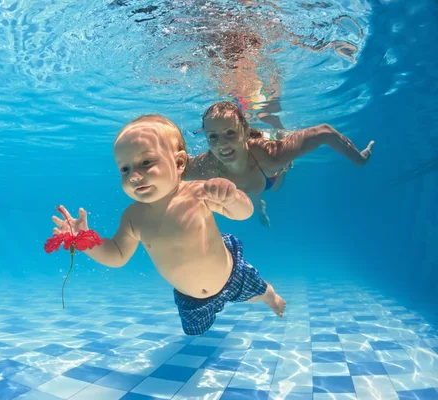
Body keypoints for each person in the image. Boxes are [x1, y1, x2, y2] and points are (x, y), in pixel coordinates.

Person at [51, 114, 286, 335]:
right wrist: (84, 241)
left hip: (231, 275)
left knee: (256, 292)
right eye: (125, 169)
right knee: (194, 331)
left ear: (180, 163)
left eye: (146, 162)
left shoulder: (198, 192)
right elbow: (117, 255)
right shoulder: (134, 217)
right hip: (191, 299)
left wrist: (232, 198)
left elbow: (243, 213)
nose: (134, 176)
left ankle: (271, 297)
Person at [186, 101, 374, 226]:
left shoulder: (271, 155)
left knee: (274, 186)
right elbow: (173, 168)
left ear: (244, 131)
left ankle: (278, 127)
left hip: (269, 174)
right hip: (250, 181)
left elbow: (324, 132)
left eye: (230, 133)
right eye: (213, 136)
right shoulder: (205, 166)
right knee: (252, 193)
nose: (222, 143)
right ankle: (260, 209)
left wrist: (359, 159)